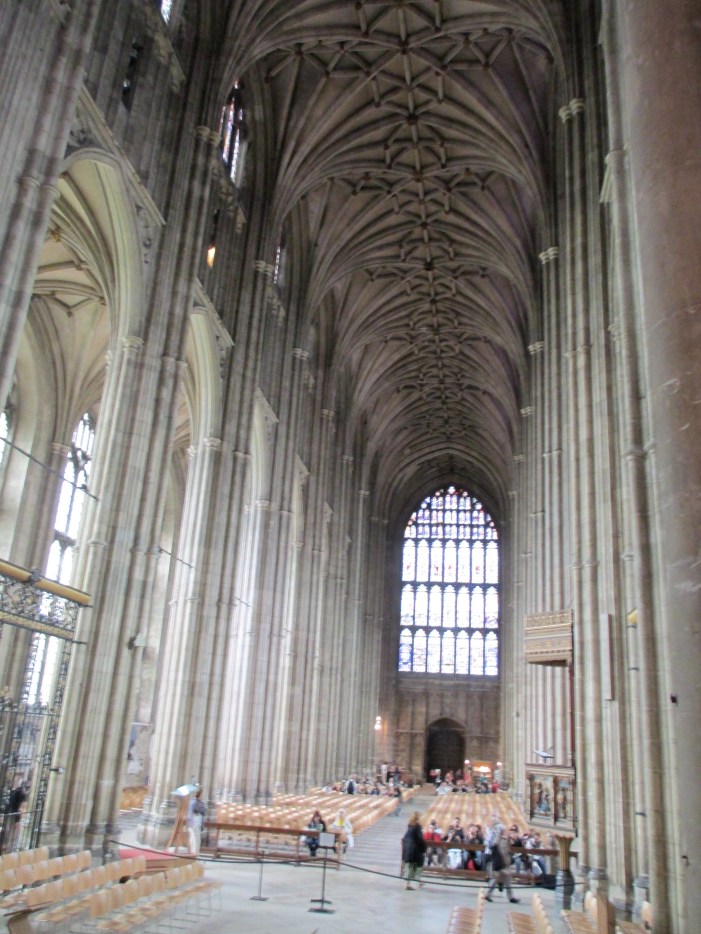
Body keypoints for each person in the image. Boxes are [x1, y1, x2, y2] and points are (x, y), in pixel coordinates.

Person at [485, 821, 519, 903]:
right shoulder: (502, 840)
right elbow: (503, 853)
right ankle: (510, 897)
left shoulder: (496, 839)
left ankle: (509, 897)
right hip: (502, 864)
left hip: (499, 863)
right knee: (498, 879)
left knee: (503, 880)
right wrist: (507, 862)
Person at [401, 811, 427, 889]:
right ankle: (416, 882)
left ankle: (409, 883)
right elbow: (420, 839)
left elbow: (405, 838)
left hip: (408, 849)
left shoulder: (410, 826)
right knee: (417, 865)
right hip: (414, 849)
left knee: (408, 865)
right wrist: (424, 849)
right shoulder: (417, 826)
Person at [1, 782, 29, 853]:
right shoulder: (20, 795)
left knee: (8, 831)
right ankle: (9, 848)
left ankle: (6, 846)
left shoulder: (13, 792)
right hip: (12, 814)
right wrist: (17, 821)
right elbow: (16, 808)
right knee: (12, 832)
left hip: (8, 813)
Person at [186, 788, 207, 855]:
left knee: (193, 839)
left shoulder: (193, 802)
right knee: (196, 840)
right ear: (199, 795)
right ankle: (195, 855)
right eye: (202, 795)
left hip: (193, 824)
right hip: (195, 824)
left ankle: (193, 854)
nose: (203, 796)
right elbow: (203, 811)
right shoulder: (196, 802)